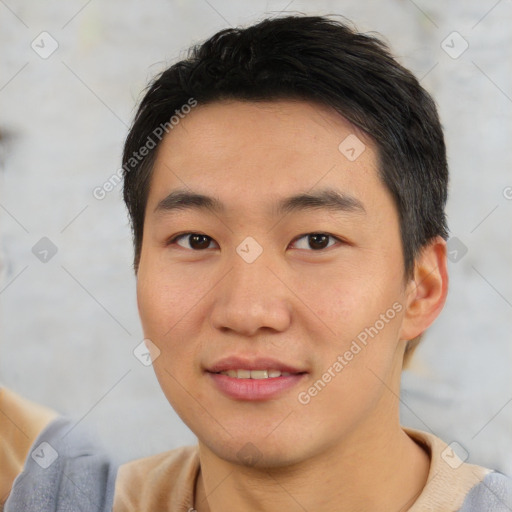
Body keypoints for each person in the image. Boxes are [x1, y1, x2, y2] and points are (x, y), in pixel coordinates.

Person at [1, 13, 511, 512]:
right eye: (196, 239)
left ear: (421, 288)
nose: (247, 311)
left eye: (316, 240)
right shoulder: (65, 496)